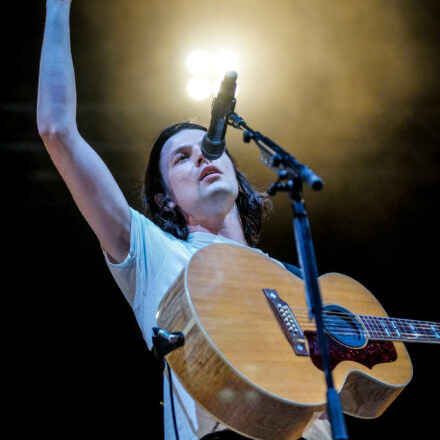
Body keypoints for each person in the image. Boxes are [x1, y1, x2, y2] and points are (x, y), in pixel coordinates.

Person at [37, 1, 331, 439]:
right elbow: (57, 129)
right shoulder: (155, 254)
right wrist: (57, 9)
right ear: (166, 199)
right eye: (182, 157)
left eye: (210, 150)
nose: (202, 156)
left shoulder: (292, 279)